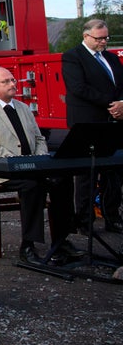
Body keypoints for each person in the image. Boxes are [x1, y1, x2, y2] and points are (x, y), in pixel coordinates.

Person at [0, 66, 83, 265]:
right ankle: (28, 246)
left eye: (13, 80)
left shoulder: (22, 107)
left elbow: (39, 138)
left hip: (31, 165)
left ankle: (61, 241)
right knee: (32, 185)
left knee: (62, 179)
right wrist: (17, 161)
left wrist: (39, 160)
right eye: (6, 81)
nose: (13, 84)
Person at [61, 18, 123, 233]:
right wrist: (111, 104)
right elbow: (78, 88)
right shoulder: (72, 57)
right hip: (87, 122)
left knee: (113, 172)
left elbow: (120, 84)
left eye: (106, 37)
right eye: (99, 38)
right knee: (86, 174)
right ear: (86, 36)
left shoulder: (111, 58)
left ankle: (112, 216)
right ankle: (84, 221)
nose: (104, 42)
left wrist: (122, 104)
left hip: (113, 121)